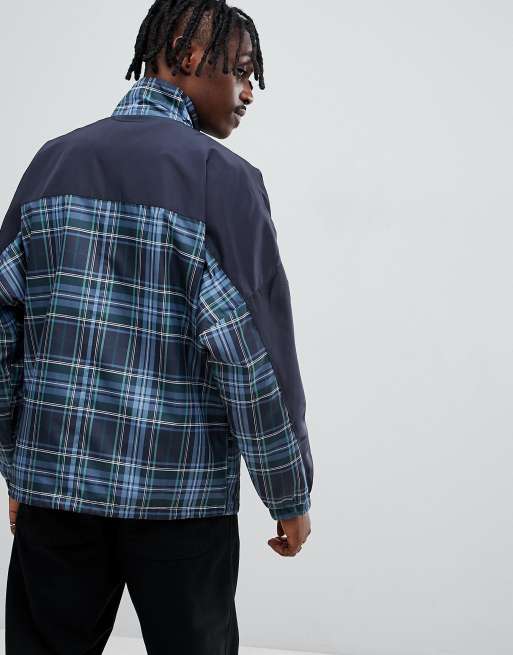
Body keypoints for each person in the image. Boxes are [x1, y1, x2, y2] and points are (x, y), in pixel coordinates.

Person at [1, 1, 314, 653]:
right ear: (189, 55)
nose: (249, 91)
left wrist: (17, 468)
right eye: (242, 70)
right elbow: (253, 357)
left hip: (55, 495)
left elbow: (4, 334)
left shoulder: (51, 164)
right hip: (182, 505)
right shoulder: (222, 181)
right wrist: (288, 493)